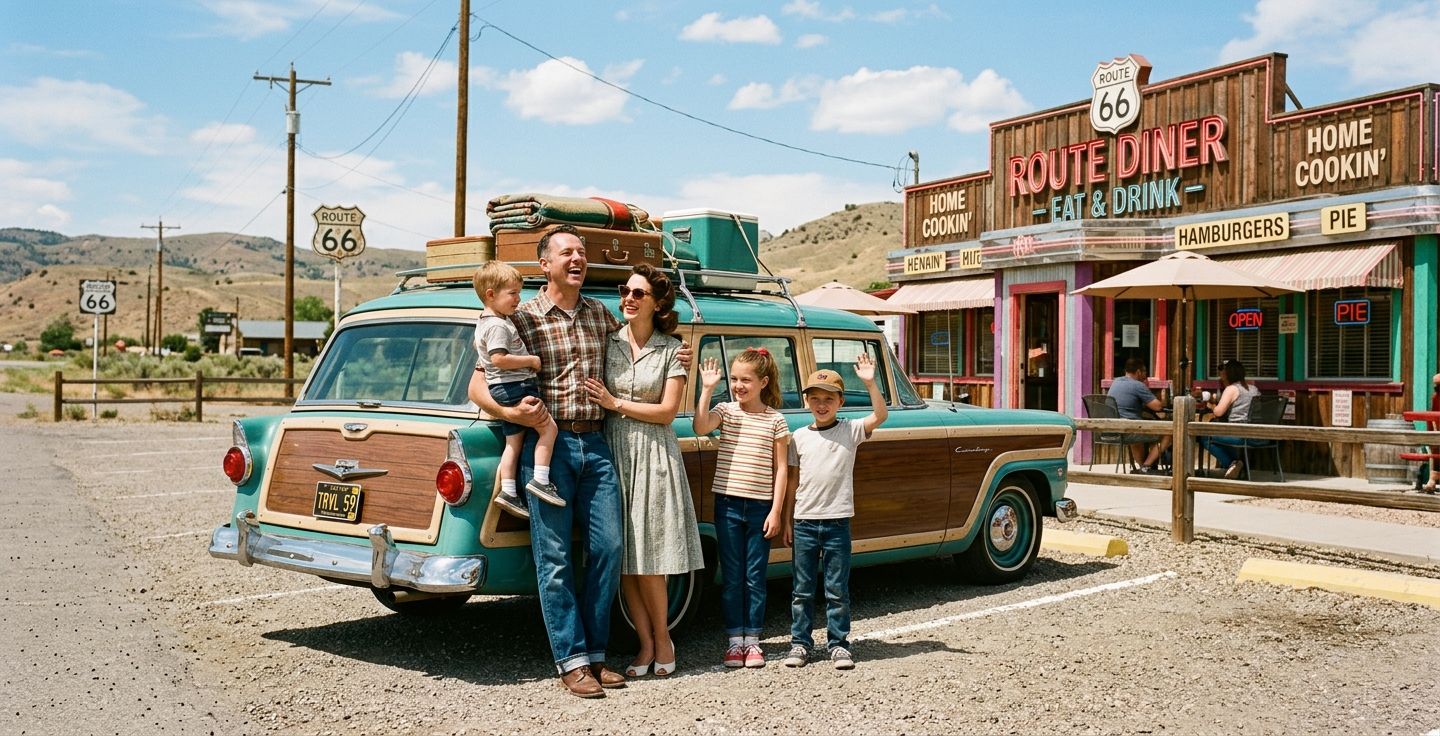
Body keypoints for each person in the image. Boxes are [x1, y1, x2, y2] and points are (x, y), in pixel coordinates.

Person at [468, 224, 689, 699]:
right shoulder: (519, 318)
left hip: (599, 445)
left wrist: (675, 344)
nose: (577, 259)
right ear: (543, 264)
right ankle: (571, 661)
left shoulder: (600, 318)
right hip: (548, 450)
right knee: (554, 560)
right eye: (566, 252)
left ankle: (597, 655)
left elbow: (642, 339)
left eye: (582, 252)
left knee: (609, 549)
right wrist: (510, 413)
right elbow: (476, 383)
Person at [581, 265, 704, 678]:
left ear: (657, 302)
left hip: (653, 454)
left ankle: (664, 639)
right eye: (625, 291)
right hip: (613, 452)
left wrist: (615, 403)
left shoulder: (672, 350)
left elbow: (668, 411)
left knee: (651, 559)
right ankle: (646, 643)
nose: (628, 299)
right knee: (626, 561)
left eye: (638, 293)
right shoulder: (607, 341)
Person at [780, 354, 888, 671]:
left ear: (840, 401)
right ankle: (800, 643)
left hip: (838, 521)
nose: (822, 404)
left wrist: (869, 382)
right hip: (803, 522)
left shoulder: (850, 431)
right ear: (807, 401)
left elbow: (880, 415)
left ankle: (838, 644)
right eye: (815, 399)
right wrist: (787, 519)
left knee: (837, 589)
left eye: (829, 399)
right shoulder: (798, 437)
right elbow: (792, 482)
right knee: (801, 590)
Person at [692, 347, 789, 669]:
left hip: (761, 507)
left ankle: (753, 640)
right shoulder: (727, 411)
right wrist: (707, 388)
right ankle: (735, 641)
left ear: (763, 382)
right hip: (728, 504)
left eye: (745, 380)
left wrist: (777, 511)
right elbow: (701, 427)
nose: (738, 385)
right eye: (734, 379)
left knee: (754, 576)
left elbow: (782, 469)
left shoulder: (775, 419)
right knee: (733, 576)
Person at [470, 261, 562, 518]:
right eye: (512, 294)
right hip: (515, 386)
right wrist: (530, 360)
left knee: (514, 443)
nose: (518, 300)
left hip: (500, 388)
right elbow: (499, 359)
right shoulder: (499, 325)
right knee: (549, 429)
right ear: (491, 295)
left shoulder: (486, 321)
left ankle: (508, 491)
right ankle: (541, 479)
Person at [1198, 359, 1262, 479]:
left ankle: (1233, 465)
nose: (1221, 377)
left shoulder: (1231, 389)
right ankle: (1236, 464)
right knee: (1217, 436)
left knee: (1205, 437)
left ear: (1228, 374)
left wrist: (1210, 405)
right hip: (1258, 434)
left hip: (1238, 433)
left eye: (1223, 374)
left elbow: (1218, 412)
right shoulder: (1254, 389)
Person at [1107, 358, 1172, 474]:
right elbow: (1157, 407)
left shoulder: (1115, 382)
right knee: (1169, 433)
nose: (1145, 375)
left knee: (1139, 430)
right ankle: (1146, 465)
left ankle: (1143, 468)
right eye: (1144, 372)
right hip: (1131, 430)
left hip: (1115, 429)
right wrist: (1146, 388)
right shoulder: (1138, 385)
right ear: (1138, 372)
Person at [1422, 372, 1440, 493]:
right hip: (1437, 432)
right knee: (1435, 451)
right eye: (1436, 385)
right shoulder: (1435, 397)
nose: (1436, 387)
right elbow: (1432, 416)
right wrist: (1431, 434)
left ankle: (1432, 480)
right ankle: (1432, 479)